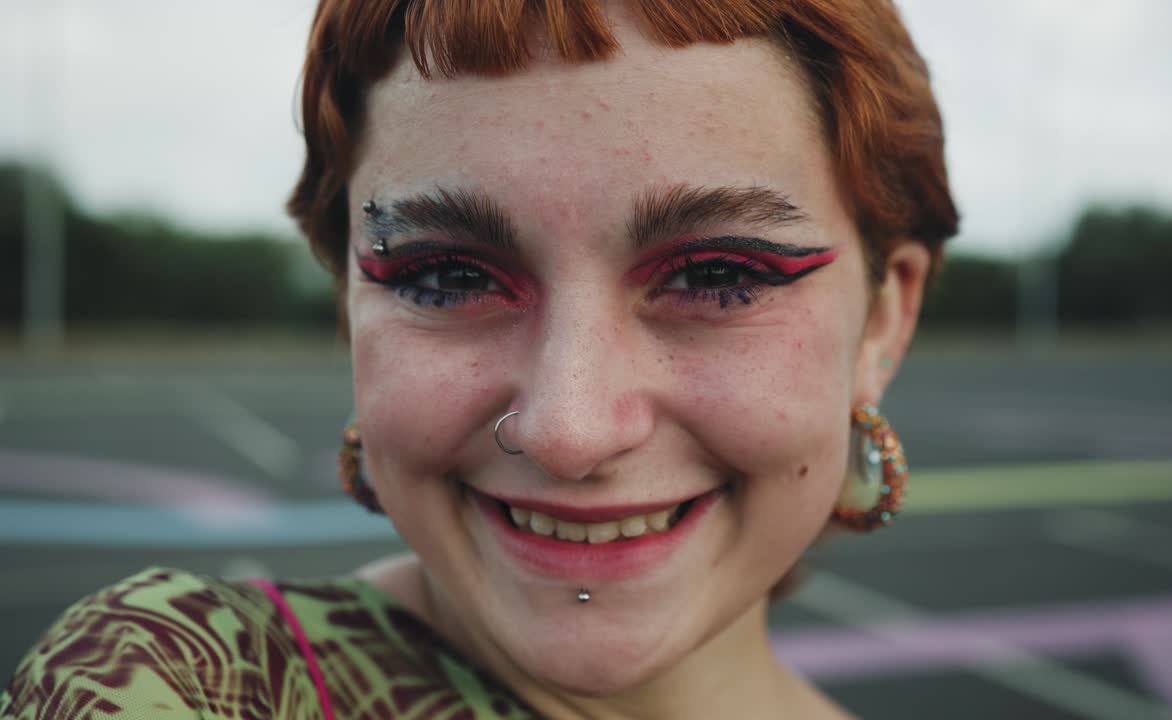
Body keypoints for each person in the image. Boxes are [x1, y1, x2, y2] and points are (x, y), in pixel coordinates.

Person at [1, 0, 956, 717]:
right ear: (349, 305)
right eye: (447, 278)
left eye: (716, 274)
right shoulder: (177, 682)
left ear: (883, 321)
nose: (568, 431)